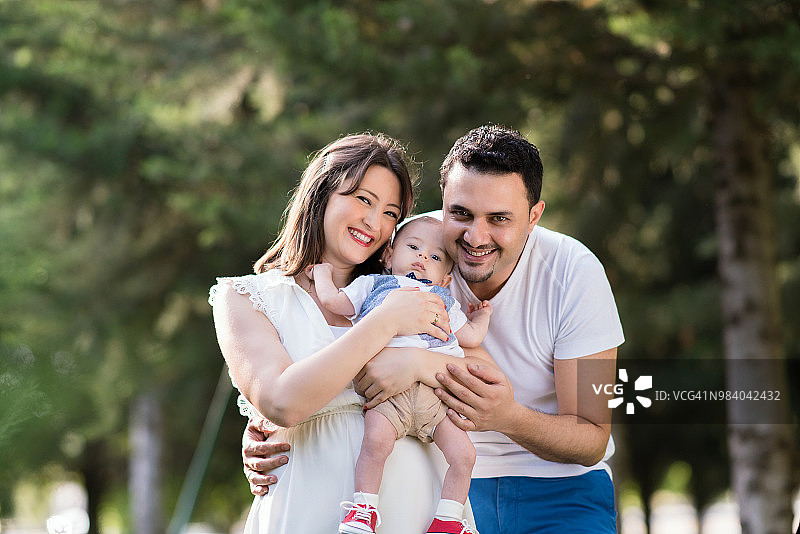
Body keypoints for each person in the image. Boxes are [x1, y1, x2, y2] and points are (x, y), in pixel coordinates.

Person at [243, 124, 624, 533]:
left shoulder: (573, 273)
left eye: (499, 218)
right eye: (460, 214)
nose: (475, 236)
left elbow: (592, 438)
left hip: (558, 488)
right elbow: (328, 327)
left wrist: (503, 413)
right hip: (441, 482)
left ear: (534, 216)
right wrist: (273, 427)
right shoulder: (413, 245)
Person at [209, 132, 482, 534]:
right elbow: (282, 400)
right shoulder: (247, 297)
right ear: (321, 194)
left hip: (419, 508)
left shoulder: (418, 292)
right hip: (310, 509)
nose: (374, 222)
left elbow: (480, 381)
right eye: (363, 200)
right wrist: (386, 321)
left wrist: (415, 362)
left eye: (390, 213)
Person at [310, 215, 492, 534]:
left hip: (436, 399)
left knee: (465, 455)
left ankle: (448, 520)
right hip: (390, 393)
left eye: (435, 257)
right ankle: (363, 509)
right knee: (375, 443)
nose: (422, 258)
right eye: (413, 247)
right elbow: (334, 301)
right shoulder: (373, 285)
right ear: (389, 255)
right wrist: (323, 275)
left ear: (445, 278)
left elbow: (472, 337)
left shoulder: (445, 301)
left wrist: (483, 316)